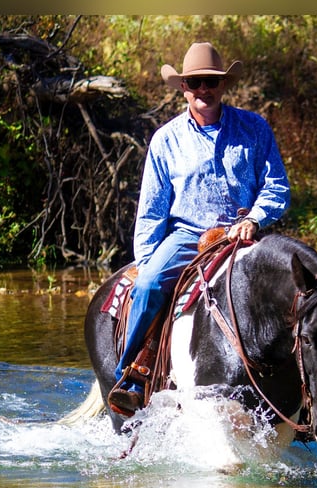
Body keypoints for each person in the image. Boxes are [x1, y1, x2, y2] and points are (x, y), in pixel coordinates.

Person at [108, 41, 291, 415]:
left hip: (245, 235)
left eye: (211, 82)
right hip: (188, 237)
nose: (203, 90)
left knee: (303, 292)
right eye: (195, 83)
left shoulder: (254, 128)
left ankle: (302, 388)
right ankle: (133, 375)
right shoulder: (166, 140)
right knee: (146, 286)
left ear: (223, 85)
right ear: (183, 88)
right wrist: (146, 260)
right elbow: (152, 211)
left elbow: (276, 186)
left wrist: (254, 218)